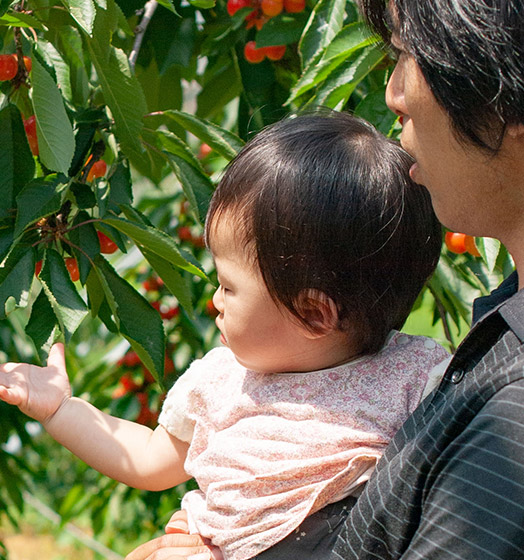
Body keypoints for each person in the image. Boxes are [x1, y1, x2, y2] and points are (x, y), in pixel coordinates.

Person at [128, 0, 524, 558]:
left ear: (501, 91)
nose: (392, 93)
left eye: (412, 55)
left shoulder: (505, 411)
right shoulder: (485, 350)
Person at [0, 110, 449, 559]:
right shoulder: (219, 381)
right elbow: (150, 460)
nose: (214, 299)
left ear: (314, 314)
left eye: (229, 286)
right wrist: (62, 409)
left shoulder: (418, 377)